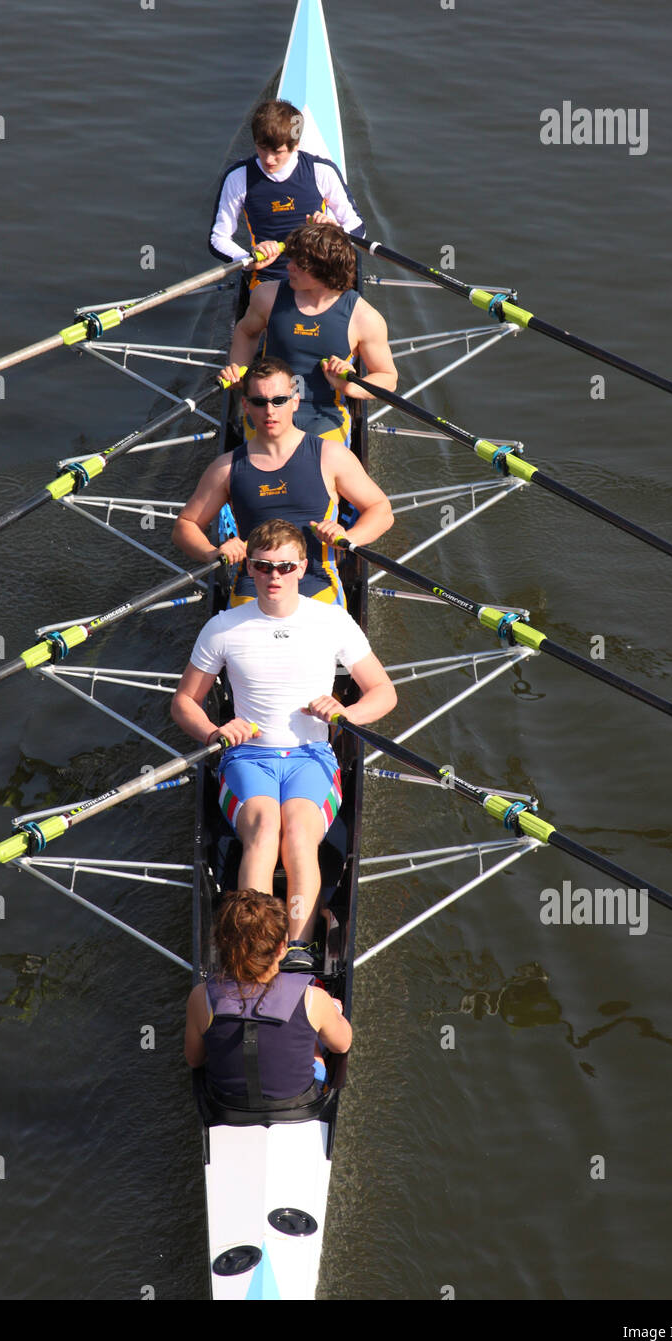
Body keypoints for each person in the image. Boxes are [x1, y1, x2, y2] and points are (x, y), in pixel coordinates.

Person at [171, 519, 397, 966]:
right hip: (247, 756)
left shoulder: (332, 621)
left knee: (296, 832)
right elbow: (184, 703)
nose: (275, 576)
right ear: (248, 569)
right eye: (264, 566)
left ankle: (296, 947)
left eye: (285, 567)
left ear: (302, 568)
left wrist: (345, 714)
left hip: (311, 757)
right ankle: (251, 947)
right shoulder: (223, 627)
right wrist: (214, 733)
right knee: (263, 828)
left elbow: (384, 693)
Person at [172, 357, 392, 607]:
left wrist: (348, 536)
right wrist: (213, 553)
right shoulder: (225, 468)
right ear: (245, 405)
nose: (269, 411)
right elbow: (185, 525)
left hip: (316, 584)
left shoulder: (331, 456)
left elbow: (381, 511)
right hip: (252, 588)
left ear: (295, 402)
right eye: (259, 402)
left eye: (279, 400)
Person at [220, 222, 397, 442]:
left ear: (324, 271)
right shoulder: (267, 295)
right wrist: (239, 370)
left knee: (315, 472)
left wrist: (350, 386)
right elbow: (246, 332)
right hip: (269, 405)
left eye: (299, 265)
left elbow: (388, 378)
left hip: (325, 414)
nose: (288, 267)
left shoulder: (365, 318)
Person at [184, 889, 352, 1108]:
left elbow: (194, 1059)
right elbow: (343, 1044)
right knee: (312, 1036)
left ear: (220, 947)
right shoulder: (313, 999)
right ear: (282, 948)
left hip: (227, 1103)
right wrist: (333, 1011)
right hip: (298, 1103)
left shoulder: (200, 996)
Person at [209, 99, 365, 285]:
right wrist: (248, 260)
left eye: (277, 152)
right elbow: (218, 239)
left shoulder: (321, 171)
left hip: (319, 272)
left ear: (296, 145)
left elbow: (357, 227)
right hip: (268, 278)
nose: (268, 159)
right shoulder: (238, 177)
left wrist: (334, 232)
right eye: (262, 148)